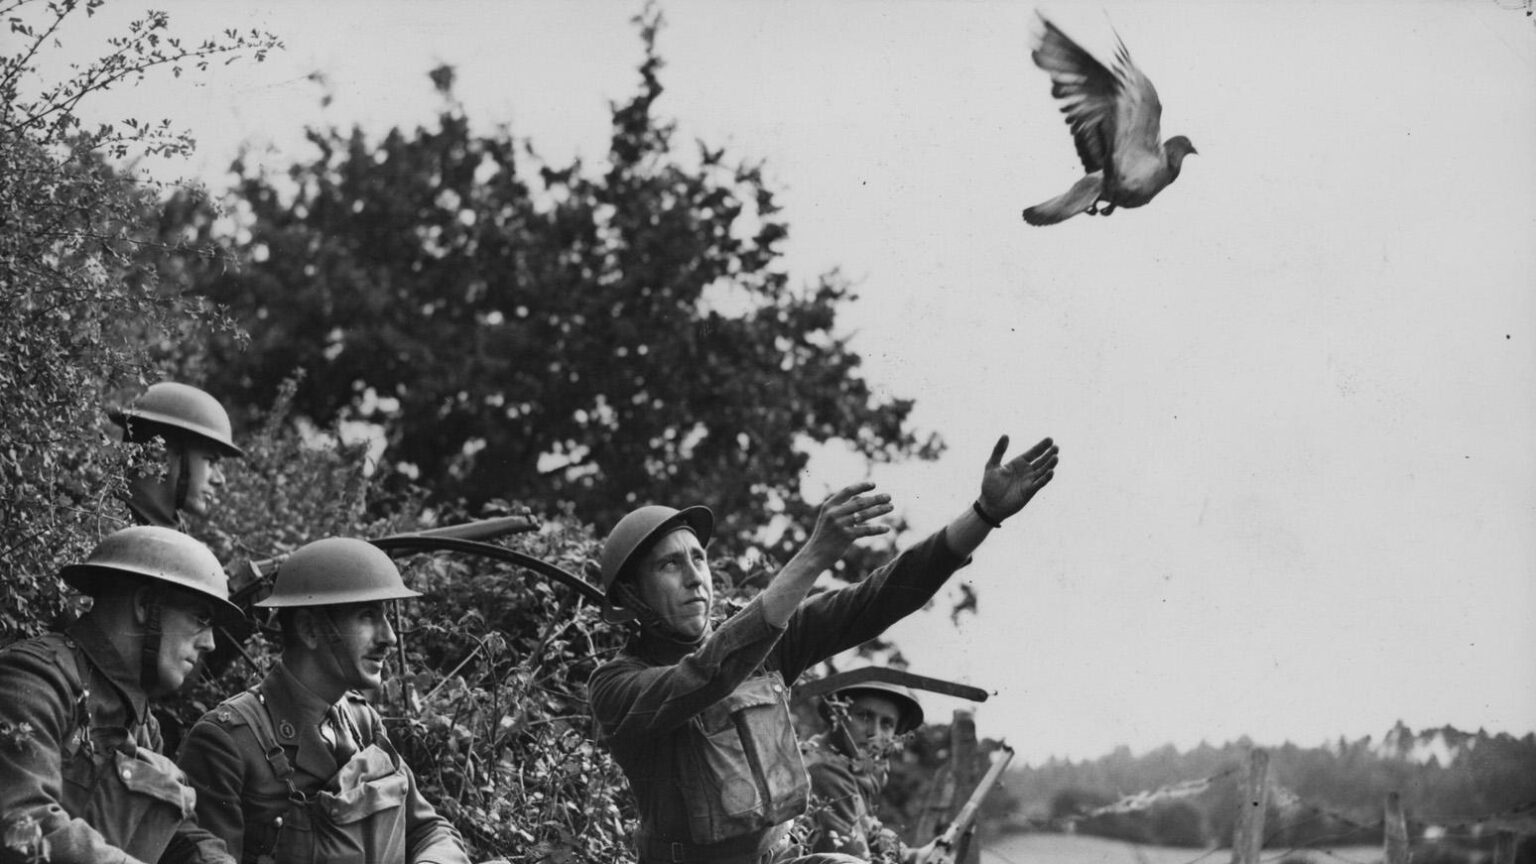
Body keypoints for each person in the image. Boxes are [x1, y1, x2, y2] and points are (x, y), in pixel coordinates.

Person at [588, 434, 1059, 864]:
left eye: (698, 558)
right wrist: (813, 554)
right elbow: (707, 675)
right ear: (631, 597)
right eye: (670, 565)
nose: (694, 577)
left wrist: (982, 515)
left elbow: (881, 594)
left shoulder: (768, 643)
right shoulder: (615, 684)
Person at [176, 537, 475, 864]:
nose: (389, 637)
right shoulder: (227, 742)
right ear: (309, 629)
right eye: (367, 615)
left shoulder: (362, 723)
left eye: (385, 616)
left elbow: (428, 830)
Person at [0, 525, 240, 864]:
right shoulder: (35, 680)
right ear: (144, 605)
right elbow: (22, 827)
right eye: (200, 618)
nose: (210, 643)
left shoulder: (141, 723)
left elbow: (175, 832)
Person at [802, 678, 932, 862]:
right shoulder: (823, 769)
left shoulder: (850, 769)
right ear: (836, 717)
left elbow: (872, 835)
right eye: (864, 716)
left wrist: (918, 856)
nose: (874, 732)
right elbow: (852, 858)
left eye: (886, 723)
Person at [110, 382, 244, 529]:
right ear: (159, 453)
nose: (220, 479)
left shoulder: (173, 534)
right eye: (211, 462)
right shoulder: (103, 523)